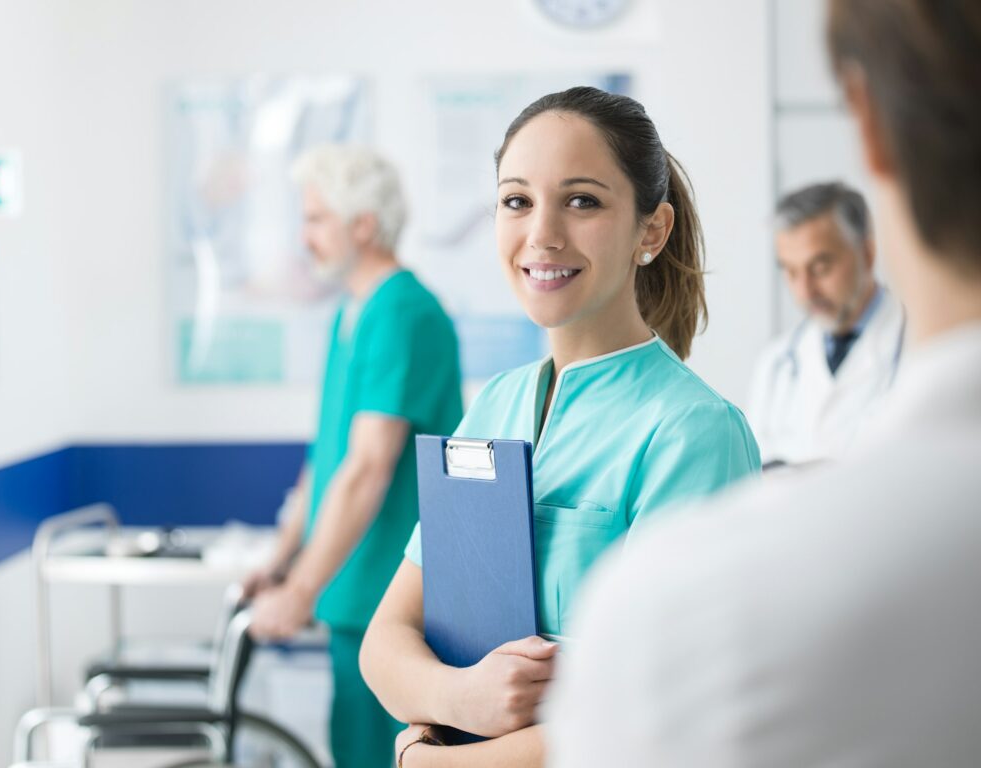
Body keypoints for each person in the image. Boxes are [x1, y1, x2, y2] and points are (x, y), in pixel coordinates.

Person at [550, 1, 981, 764]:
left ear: (868, 125)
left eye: (582, 200)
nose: (806, 287)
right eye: (513, 200)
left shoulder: (684, 611)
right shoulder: (780, 364)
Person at [359, 86, 761, 767]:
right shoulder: (495, 406)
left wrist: (434, 760)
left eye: (582, 201)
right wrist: (464, 700)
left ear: (651, 232)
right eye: (517, 201)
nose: (542, 234)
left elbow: (661, 706)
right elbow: (386, 642)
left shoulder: (693, 434)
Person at [244, 144, 463, 768]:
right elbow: (328, 459)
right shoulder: (353, 311)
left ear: (363, 225)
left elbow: (368, 468)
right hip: (352, 593)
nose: (304, 235)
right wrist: (281, 559)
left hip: (395, 603)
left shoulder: (402, 312)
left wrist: (301, 587)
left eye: (316, 218)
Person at [746, 181, 905, 466]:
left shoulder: (918, 348)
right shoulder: (775, 364)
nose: (805, 291)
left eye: (820, 268)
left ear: (867, 254)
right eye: (791, 272)